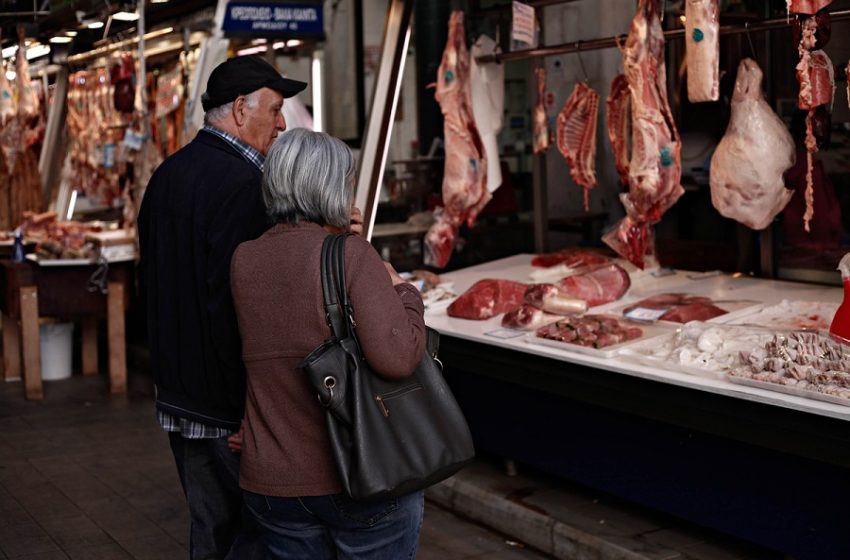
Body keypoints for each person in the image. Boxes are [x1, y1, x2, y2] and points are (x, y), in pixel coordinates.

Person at [229, 128, 427, 560]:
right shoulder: (351, 255)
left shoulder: (243, 259)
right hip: (355, 478)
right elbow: (398, 357)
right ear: (331, 186)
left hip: (272, 486)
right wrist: (406, 294)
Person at [137, 56, 307, 559]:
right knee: (257, 534)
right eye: (275, 110)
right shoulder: (245, 187)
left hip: (179, 393)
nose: (281, 123)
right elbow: (236, 306)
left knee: (209, 527)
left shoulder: (167, 175)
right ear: (239, 109)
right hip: (225, 405)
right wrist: (252, 408)